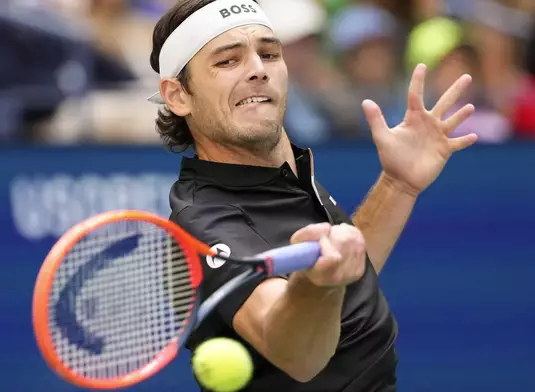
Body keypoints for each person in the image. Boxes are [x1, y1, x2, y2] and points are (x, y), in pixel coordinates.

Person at [147, 0, 477, 390]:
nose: (258, 69)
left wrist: (397, 185)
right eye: (227, 61)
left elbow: (349, 274)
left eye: (269, 54)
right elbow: (295, 353)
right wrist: (315, 285)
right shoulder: (202, 219)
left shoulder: (285, 173)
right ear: (178, 95)